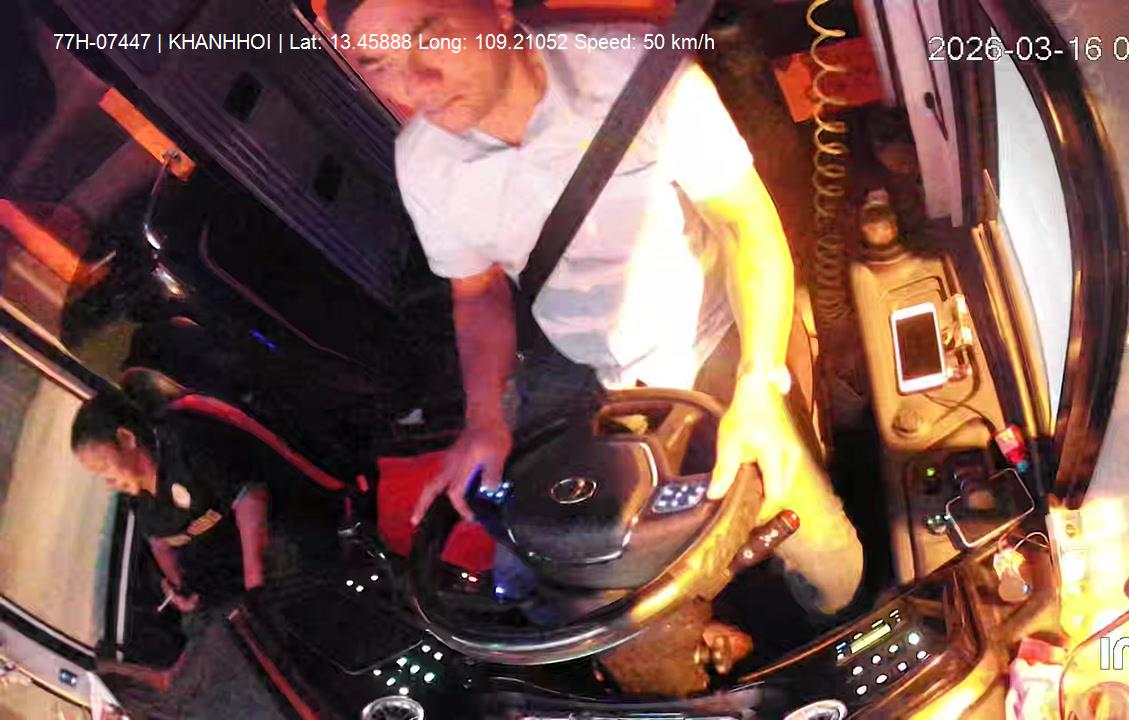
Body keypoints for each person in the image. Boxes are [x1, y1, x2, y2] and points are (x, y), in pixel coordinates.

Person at [329, 0, 863, 616]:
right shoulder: (422, 160)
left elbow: (746, 227)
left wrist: (759, 384)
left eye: (431, 38)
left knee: (830, 565)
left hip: (710, 336)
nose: (414, 83)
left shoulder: (640, 74)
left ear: (497, 10)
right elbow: (477, 293)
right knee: (544, 586)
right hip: (578, 363)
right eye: (380, 64)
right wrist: (483, 416)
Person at [70, 392, 338, 717]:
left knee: (242, 652)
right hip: (216, 587)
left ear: (126, 439)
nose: (107, 481)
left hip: (266, 559)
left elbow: (248, 498)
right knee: (203, 654)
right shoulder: (139, 499)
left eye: (104, 467)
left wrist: (255, 584)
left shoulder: (184, 447)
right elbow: (160, 542)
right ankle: (155, 687)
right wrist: (179, 586)